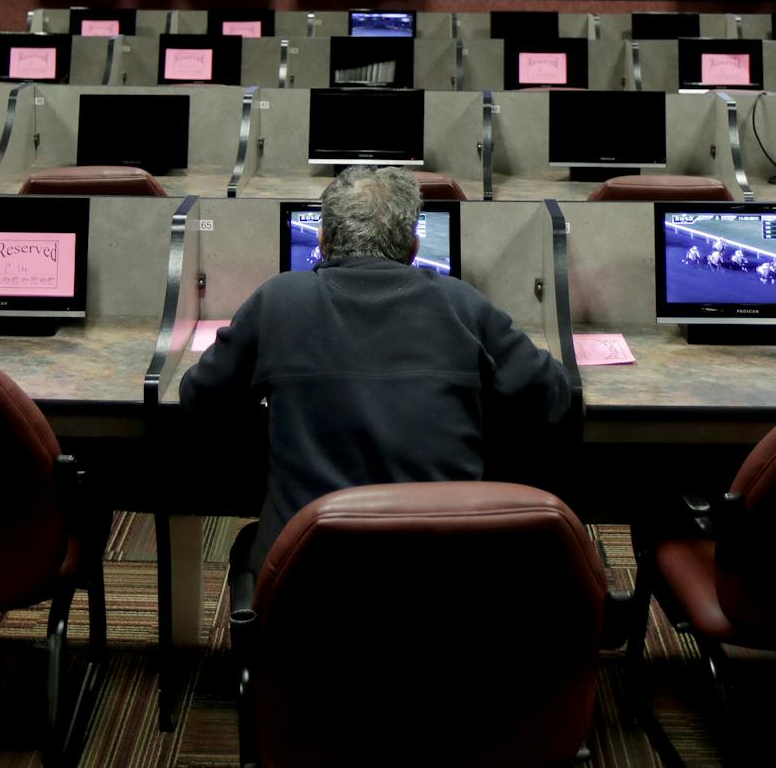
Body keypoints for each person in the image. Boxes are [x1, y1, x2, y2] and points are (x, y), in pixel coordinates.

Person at [180, 165, 572, 587]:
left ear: (323, 241)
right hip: (444, 572)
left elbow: (200, 398)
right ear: (413, 245)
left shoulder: (277, 300)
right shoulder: (462, 304)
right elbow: (552, 397)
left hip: (307, 579)